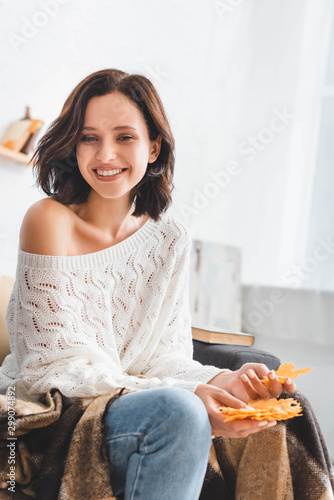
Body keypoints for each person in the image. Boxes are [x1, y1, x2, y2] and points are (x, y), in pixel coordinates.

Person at [0, 69, 297, 499]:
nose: (105, 154)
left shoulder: (169, 238)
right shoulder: (49, 220)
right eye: (89, 138)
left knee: (283, 412)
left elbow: (163, 358)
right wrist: (191, 393)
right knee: (182, 411)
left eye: (124, 137)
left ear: (153, 146)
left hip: (129, 410)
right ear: (72, 144)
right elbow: (52, 370)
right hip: (39, 419)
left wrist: (225, 380)